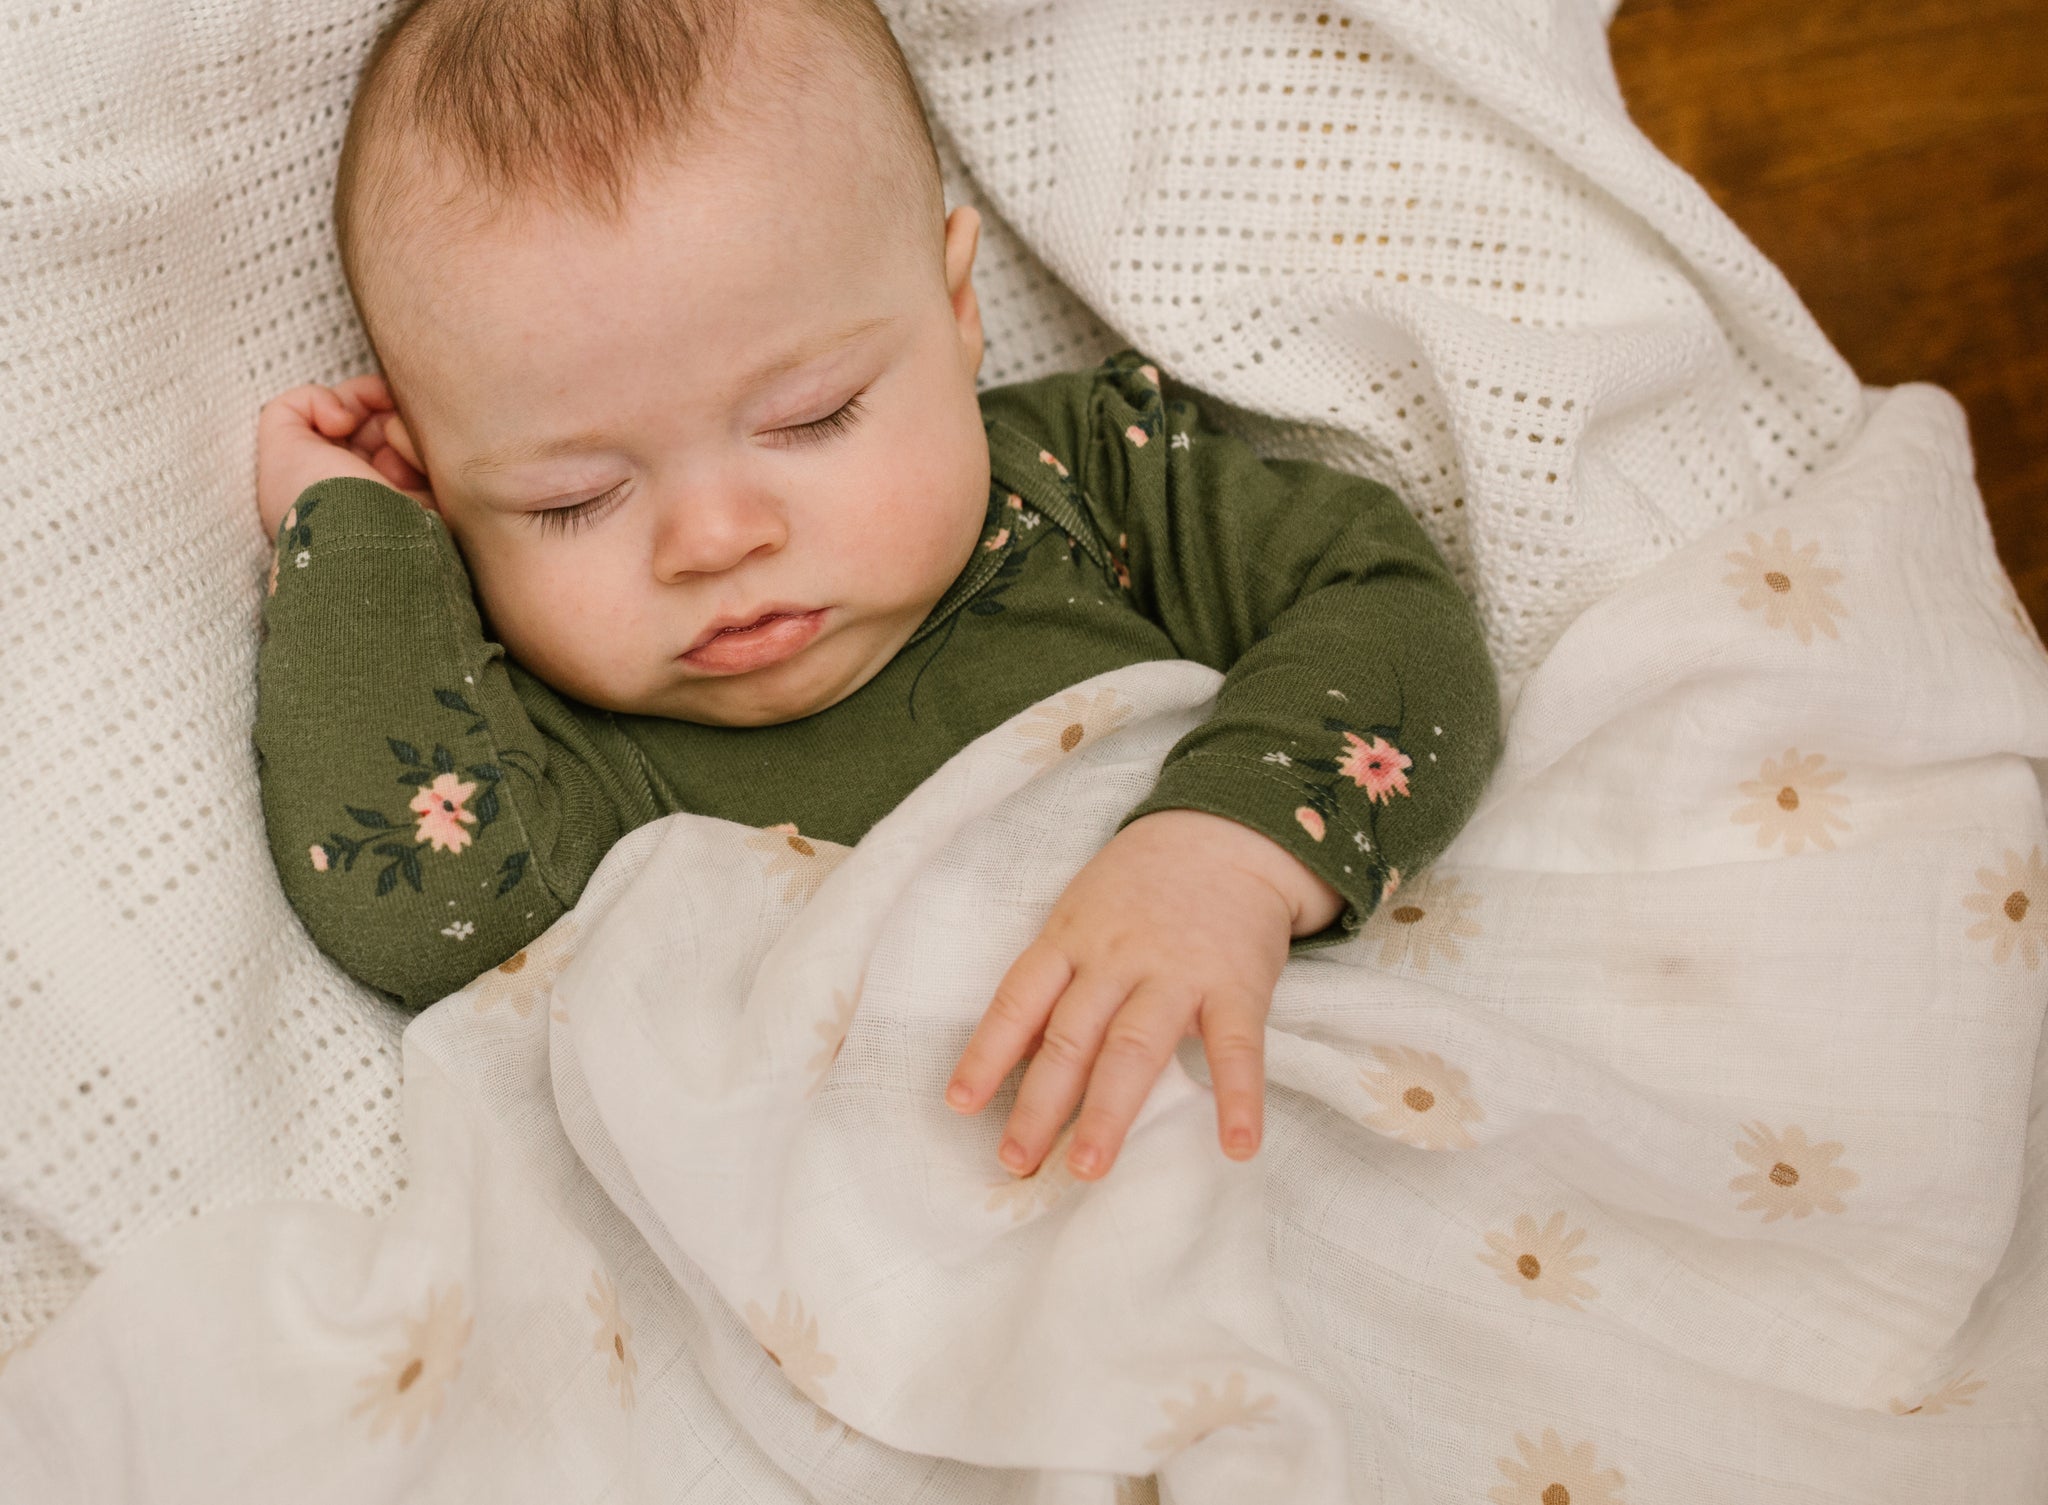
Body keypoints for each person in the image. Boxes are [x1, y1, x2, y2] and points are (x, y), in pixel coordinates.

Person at [253, 0, 1500, 1188]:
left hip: (1304, 1129)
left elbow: (1383, 595)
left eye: (812, 416)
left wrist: (1231, 853)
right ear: (436, 482)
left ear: (954, 311)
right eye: (572, 498)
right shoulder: (568, 755)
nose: (715, 539)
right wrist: (362, 549)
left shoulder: (1084, 483)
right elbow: (422, 912)